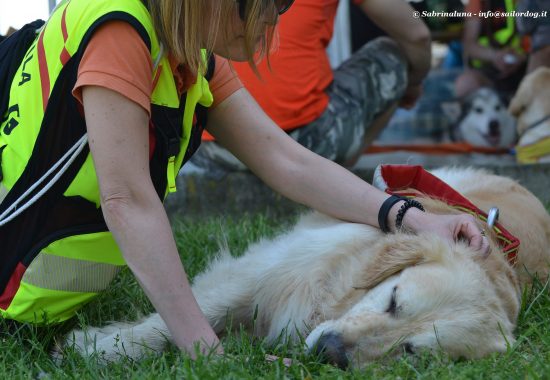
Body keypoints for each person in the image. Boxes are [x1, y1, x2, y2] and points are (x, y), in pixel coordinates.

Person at [0, 0, 488, 358]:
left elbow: (285, 160)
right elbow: (126, 200)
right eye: (273, 3)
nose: (277, 19)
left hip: (39, 300)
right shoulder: (121, 32)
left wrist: (411, 217)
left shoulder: (190, 51)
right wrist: (204, 349)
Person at [192, 0, 432, 170]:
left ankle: (331, 175)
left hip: (206, 147)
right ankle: (341, 172)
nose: (274, 17)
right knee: (391, 53)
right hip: (310, 141)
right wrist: (412, 84)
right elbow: (417, 36)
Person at [454, 0, 527, 98]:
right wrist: (496, 56)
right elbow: (469, 45)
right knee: (465, 84)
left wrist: (522, 57)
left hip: (525, 67)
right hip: (489, 70)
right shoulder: (478, 3)